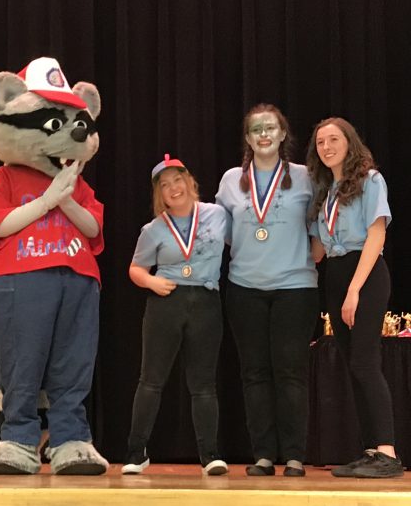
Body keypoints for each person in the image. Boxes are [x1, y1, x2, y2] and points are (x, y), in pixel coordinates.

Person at [214, 104, 318, 477]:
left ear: (282, 134)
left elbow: (320, 227)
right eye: (255, 129)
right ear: (247, 138)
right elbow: (219, 233)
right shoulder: (230, 181)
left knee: (290, 372)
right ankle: (262, 455)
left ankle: (293, 456)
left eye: (270, 128)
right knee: (254, 372)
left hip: (296, 288)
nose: (263, 134)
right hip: (245, 288)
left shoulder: (306, 178)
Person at [122, 155, 230, 476]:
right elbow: (135, 269)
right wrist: (152, 281)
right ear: (160, 195)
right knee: (151, 381)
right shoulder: (152, 229)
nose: (173, 188)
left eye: (177, 180)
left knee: (204, 385)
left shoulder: (218, 215)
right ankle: (135, 452)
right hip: (166, 302)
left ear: (189, 182)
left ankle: (210, 456)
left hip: (206, 302)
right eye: (165, 185)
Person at [307, 117, 402, 478]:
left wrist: (354, 290)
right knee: (353, 366)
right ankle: (371, 450)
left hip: (365, 274)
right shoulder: (325, 192)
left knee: (365, 362)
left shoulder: (370, 180)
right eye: (320, 143)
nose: (327, 147)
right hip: (335, 273)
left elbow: (376, 236)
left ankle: (388, 452)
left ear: (350, 142)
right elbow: (317, 250)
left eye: (334, 139)